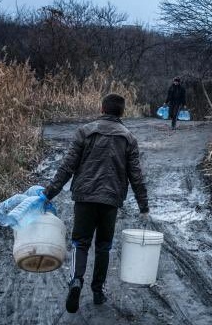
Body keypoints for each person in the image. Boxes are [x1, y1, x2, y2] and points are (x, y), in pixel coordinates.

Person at [43, 93, 149, 314]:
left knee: (80, 242)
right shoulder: (128, 138)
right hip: (110, 200)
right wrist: (143, 206)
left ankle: (76, 281)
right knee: (103, 246)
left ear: (102, 109)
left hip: (85, 197)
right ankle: (98, 291)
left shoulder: (84, 131)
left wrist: (49, 193)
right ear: (122, 112)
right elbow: (136, 175)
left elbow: (67, 167)